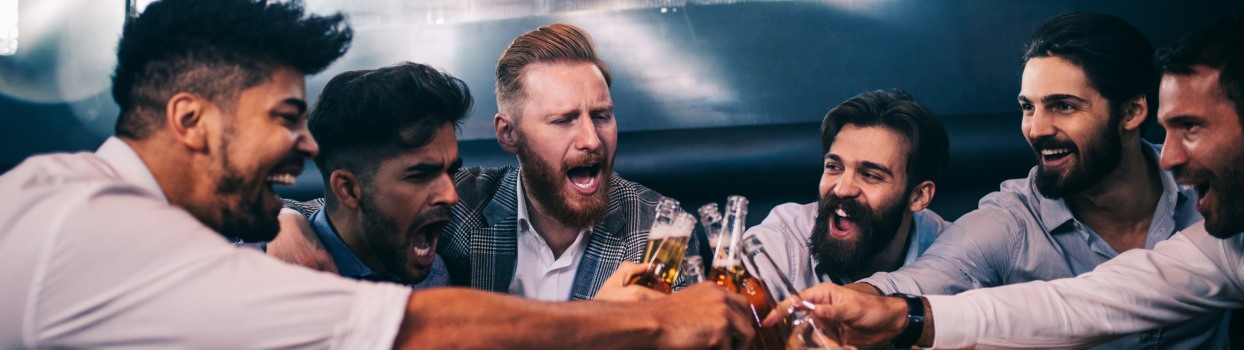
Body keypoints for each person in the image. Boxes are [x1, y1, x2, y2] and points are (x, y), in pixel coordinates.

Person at [0, 0, 756, 348]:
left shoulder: (100, 205)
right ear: (191, 121)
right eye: (285, 118)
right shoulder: (100, 232)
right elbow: (410, 331)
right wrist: (642, 321)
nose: (306, 148)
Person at [767, 12, 1244, 349]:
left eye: (1063, 105)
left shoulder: (1218, 208)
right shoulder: (1009, 219)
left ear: (1131, 111)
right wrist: (875, 304)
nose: (1036, 129)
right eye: (1027, 108)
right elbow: (940, 277)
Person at [278, 23, 693, 301]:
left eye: (601, 116)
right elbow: (345, 213)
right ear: (507, 134)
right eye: (563, 120)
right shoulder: (459, 206)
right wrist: (284, 223)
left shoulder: (662, 231)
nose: (590, 139)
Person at [745, 90, 950, 300]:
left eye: (870, 175)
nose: (842, 189)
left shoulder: (954, 253)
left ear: (918, 196)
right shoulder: (780, 241)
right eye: (834, 167)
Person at [281, 62, 470, 288]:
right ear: (349, 189)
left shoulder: (435, 275)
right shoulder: (259, 280)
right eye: (420, 175)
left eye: (451, 171)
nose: (451, 196)